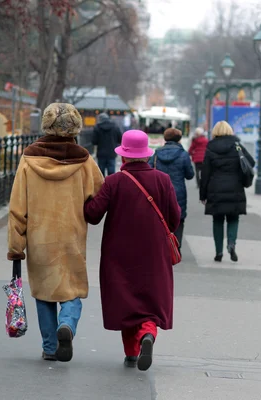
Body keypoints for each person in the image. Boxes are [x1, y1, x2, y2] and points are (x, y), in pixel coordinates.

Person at [8, 103, 104, 362]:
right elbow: (99, 196)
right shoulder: (84, 160)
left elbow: (17, 207)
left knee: (44, 293)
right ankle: (67, 325)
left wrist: (16, 246)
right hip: (72, 236)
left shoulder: (29, 159)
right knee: (71, 290)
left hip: (40, 239)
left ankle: (50, 348)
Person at [84, 130, 181, 372]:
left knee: (125, 299)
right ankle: (148, 333)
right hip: (154, 252)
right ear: (147, 156)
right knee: (149, 298)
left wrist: (84, 198)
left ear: (123, 157)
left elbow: (93, 215)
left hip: (119, 253)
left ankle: (131, 352)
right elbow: (175, 218)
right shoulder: (163, 180)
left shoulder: (114, 182)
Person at [199, 121, 254, 263]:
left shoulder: (210, 147)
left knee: (217, 220)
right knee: (233, 218)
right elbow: (251, 162)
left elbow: (205, 172)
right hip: (235, 187)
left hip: (215, 188)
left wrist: (203, 194)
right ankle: (231, 243)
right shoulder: (237, 146)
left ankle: (218, 252)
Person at [149, 128, 194, 253]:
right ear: (179, 139)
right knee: (179, 218)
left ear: (165, 139)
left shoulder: (157, 153)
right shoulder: (183, 154)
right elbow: (190, 174)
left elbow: (148, 168)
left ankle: (161, 245)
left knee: (160, 217)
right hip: (178, 191)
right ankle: (176, 245)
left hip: (159, 190)